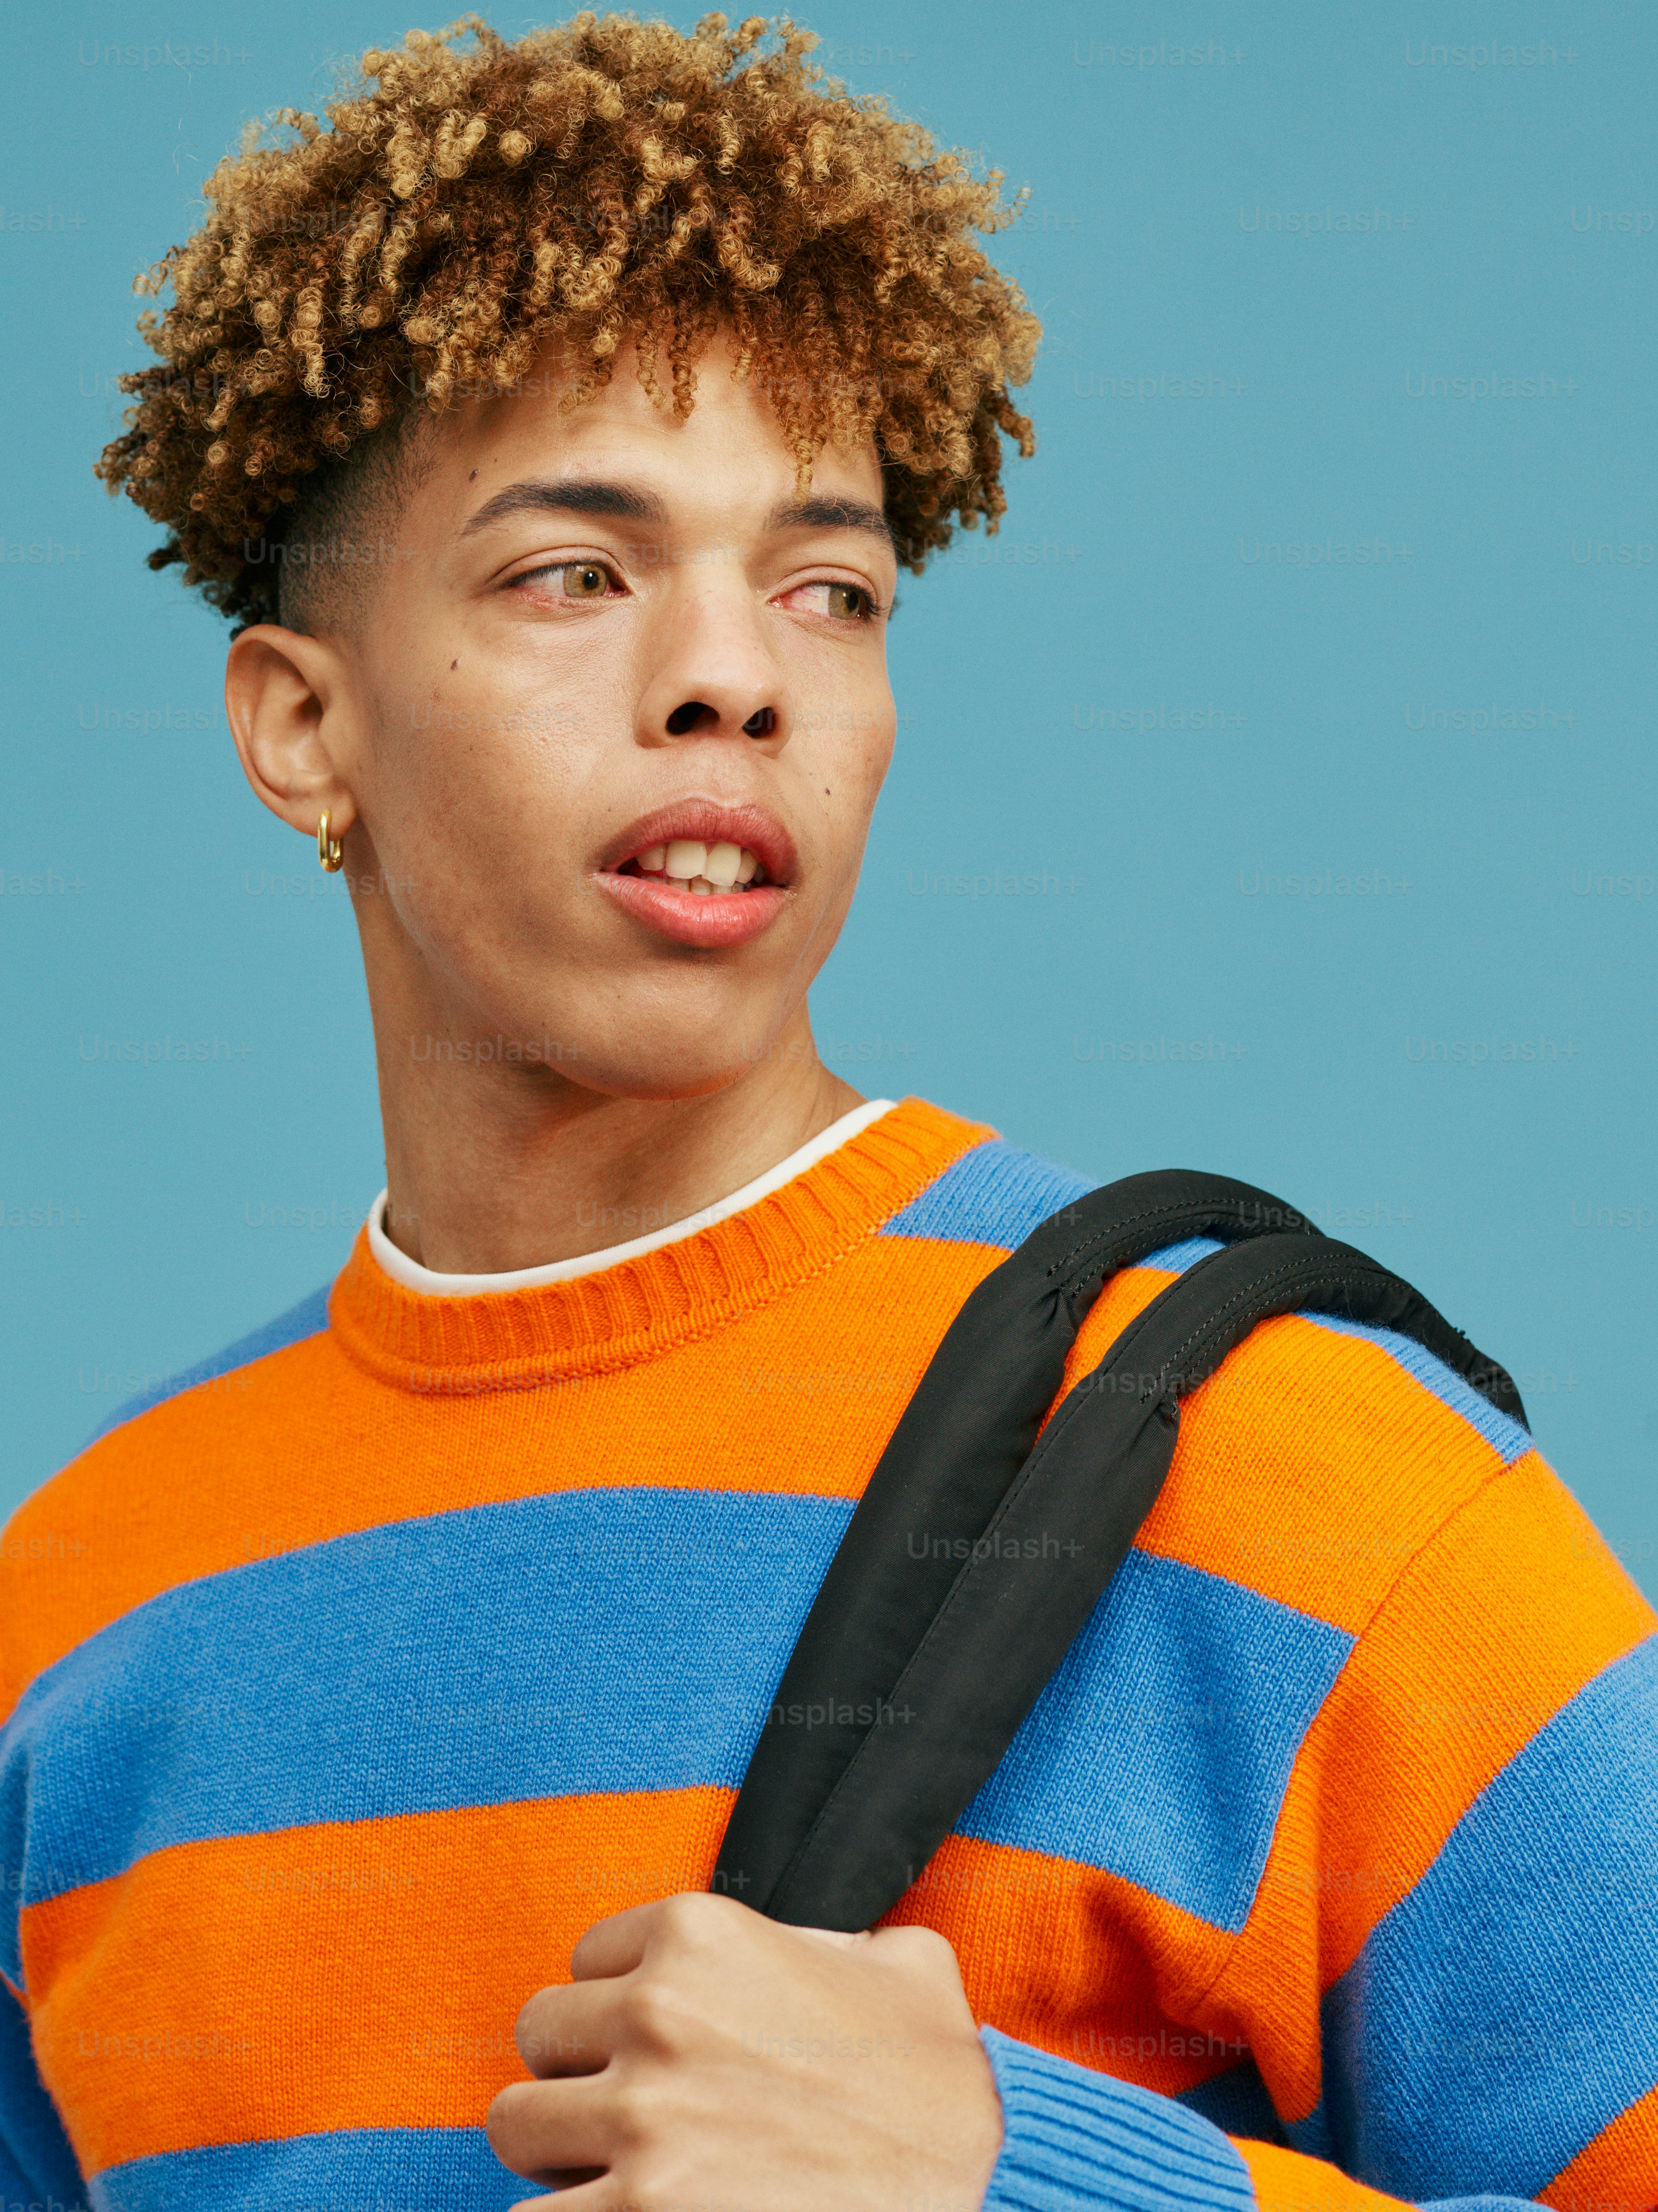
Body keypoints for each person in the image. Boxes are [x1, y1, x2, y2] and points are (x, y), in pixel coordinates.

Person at [3, 14, 1654, 2211]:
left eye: (830, 590)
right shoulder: (78, 1612)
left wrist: (1012, 2180)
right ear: (302, 727)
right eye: (572, 571)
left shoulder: (1290, 1470)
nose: (735, 675)